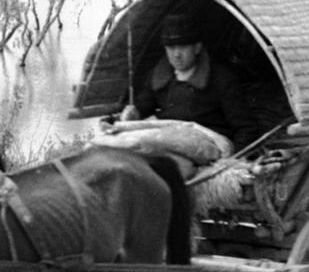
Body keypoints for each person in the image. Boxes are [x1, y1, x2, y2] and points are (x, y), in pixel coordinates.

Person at [100, 9, 252, 162]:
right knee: (116, 145)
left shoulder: (221, 78)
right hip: (170, 136)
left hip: (208, 141)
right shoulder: (160, 75)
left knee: (148, 147)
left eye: (183, 47)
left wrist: (235, 160)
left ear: (197, 47)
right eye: (171, 48)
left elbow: (245, 128)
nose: (176, 54)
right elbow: (145, 104)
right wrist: (135, 113)